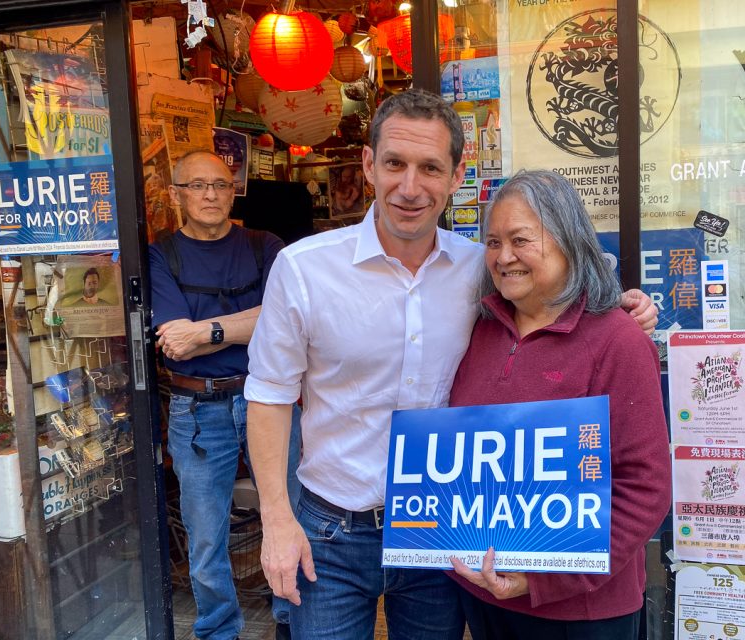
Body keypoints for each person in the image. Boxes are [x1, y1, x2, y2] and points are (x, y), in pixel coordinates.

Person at [244, 89, 657, 640]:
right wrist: (275, 519)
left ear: (457, 174)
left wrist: (621, 309)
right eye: (394, 163)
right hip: (333, 528)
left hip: (443, 536)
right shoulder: (303, 269)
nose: (410, 187)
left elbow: (563, 285)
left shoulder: (477, 270)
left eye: (430, 168)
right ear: (368, 164)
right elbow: (269, 394)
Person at [448, 170, 671, 640]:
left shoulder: (618, 340)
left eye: (520, 240)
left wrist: (541, 580)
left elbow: (644, 487)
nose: (503, 257)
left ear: (569, 241)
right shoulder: (479, 329)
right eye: (492, 242)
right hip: (485, 595)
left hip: (581, 612)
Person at [149, 150, 301, 640]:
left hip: (268, 400)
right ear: (177, 195)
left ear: (235, 189)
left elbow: (284, 321)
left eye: (220, 183)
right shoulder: (160, 254)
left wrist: (206, 332)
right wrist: (243, 326)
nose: (211, 194)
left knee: (290, 512)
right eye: (197, 185)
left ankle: (291, 619)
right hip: (197, 409)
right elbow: (174, 337)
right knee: (205, 532)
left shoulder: (265, 246)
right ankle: (218, 630)